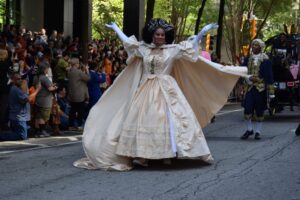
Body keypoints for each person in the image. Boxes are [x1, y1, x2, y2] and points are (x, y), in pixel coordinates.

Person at [74, 19, 248, 171]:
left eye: (163, 35)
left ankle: (168, 154)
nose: (160, 37)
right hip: (145, 88)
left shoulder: (173, 50)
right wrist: (116, 29)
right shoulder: (143, 49)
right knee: (143, 119)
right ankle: (142, 155)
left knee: (169, 119)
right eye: (157, 34)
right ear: (152, 35)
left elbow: (192, 49)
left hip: (167, 89)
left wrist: (202, 32)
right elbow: (128, 43)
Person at [240, 39, 274, 140]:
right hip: (249, 88)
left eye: (256, 45)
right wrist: (247, 77)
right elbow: (242, 70)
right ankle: (249, 129)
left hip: (260, 88)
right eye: (253, 45)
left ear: (260, 47)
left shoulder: (265, 59)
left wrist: (271, 91)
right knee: (247, 109)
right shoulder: (247, 58)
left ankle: (258, 131)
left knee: (259, 110)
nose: (253, 46)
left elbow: (269, 75)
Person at [0, 73, 40, 141]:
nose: (20, 80)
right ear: (13, 80)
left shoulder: (16, 89)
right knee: (22, 136)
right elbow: (28, 99)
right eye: (18, 79)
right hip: (18, 118)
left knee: (16, 133)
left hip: (16, 117)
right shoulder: (16, 90)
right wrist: (37, 90)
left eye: (20, 78)